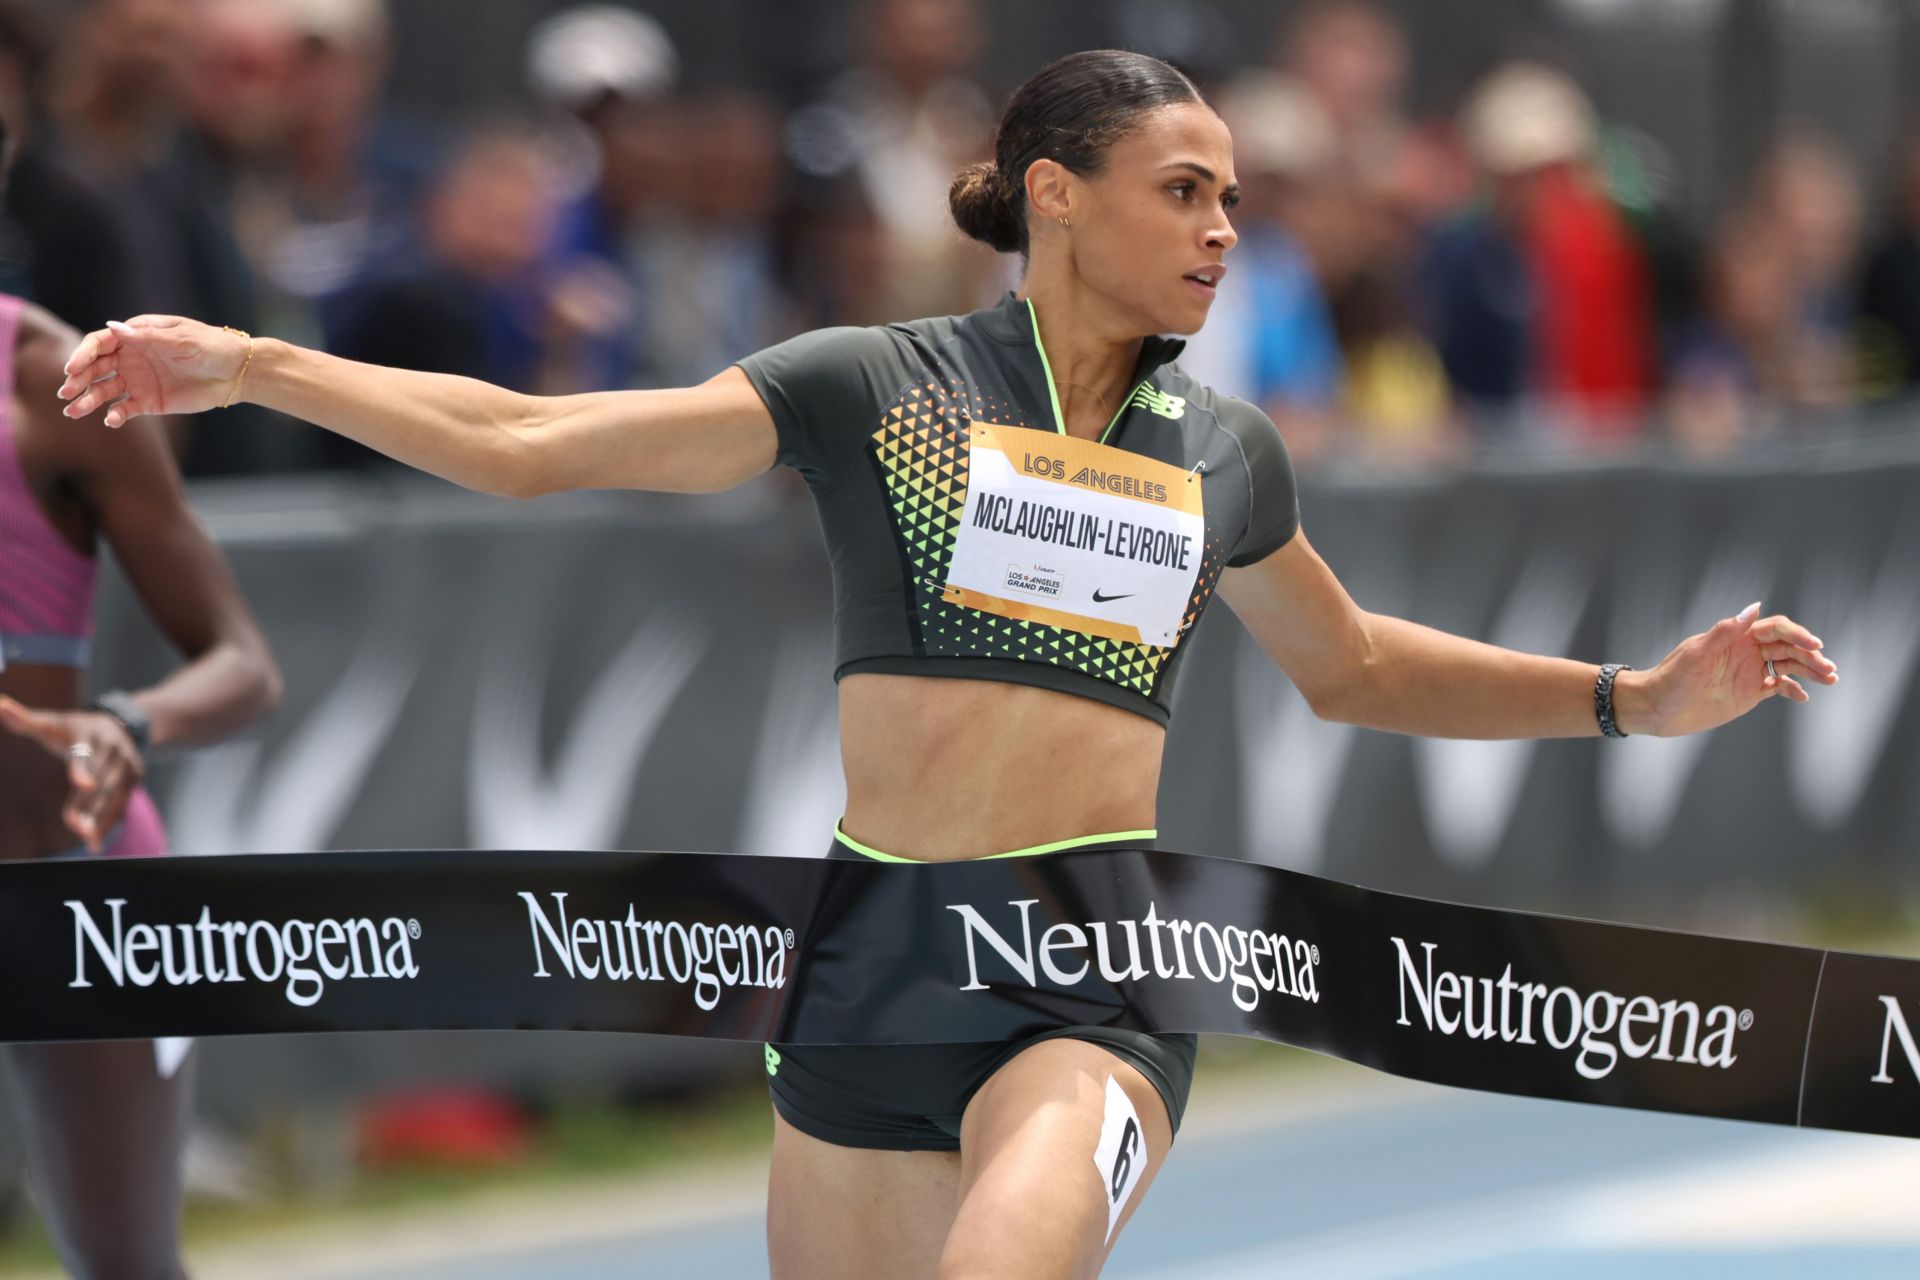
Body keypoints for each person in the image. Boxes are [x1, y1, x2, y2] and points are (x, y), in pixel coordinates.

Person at [55, 49, 1837, 1280]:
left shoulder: (1222, 452)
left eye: (1235, 196)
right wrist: (260, 364)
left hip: (1089, 965)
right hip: (871, 961)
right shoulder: (870, 387)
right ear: (1057, 196)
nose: (1226, 228)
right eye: (1185, 190)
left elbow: (1356, 664)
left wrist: (1632, 700)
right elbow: (531, 440)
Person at [0, 166, 282, 1280]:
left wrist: (126, 721)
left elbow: (244, 662)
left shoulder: (47, 380)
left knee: (126, 1264)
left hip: (78, 877)